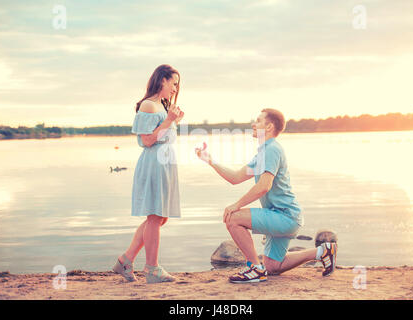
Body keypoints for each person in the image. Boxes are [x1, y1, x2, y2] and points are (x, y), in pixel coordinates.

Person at [196, 108, 337, 283]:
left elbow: (264, 186)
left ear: (269, 126)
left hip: (285, 217)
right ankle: (322, 252)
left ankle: (255, 268)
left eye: (258, 121)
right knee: (273, 266)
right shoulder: (263, 153)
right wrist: (210, 161)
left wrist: (236, 205)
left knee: (233, 218)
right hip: (283, 217)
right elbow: (235, 178)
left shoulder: (272, 150)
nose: (253, 124)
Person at [113, 64, 184, 283]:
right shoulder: (148, 105)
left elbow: (161, 134)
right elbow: (147, 140)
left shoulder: (161, 106)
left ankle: (125, 260)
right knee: (154, 216)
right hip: (154, 164)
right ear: (162, 80)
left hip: (164, 164)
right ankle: (152, 269)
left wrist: (173, 120)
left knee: (160, 217)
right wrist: (169, 121)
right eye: (173, 83)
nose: (175, 89)